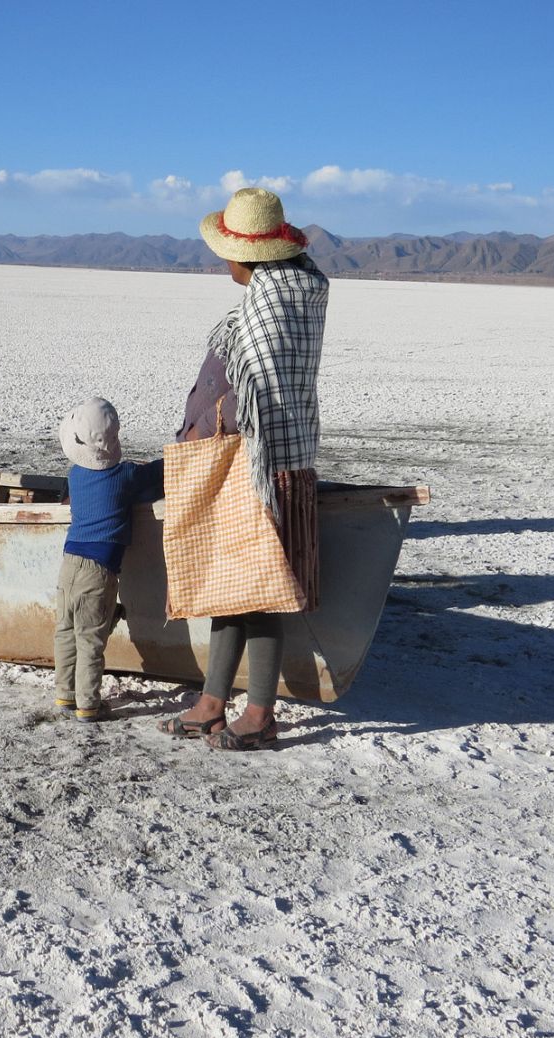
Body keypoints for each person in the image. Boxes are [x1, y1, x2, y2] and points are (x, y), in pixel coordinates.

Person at [157, 187, 329, 750]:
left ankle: (258, 712)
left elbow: (250, 388)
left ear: (248, 256)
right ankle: (212, 701)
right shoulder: (299, 290)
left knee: (256, 589)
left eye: (227, 251)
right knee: (229, 583)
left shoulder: (268, 303)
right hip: (281, 456)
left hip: (259, 463)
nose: (221, 261)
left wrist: (204, 429)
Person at [54, 398, 165, 723]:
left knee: (65, 630)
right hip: (98, 572)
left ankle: (65, 693)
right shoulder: (125, 476)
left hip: (69, 563)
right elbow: (154, 477)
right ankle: (88, 703)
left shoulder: (75, 475)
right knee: (90, 639)